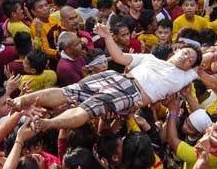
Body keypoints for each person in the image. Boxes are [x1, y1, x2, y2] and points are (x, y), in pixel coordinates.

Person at [10, 23, 201, 131]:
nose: (187, 57)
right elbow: (119, 57)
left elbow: (205, 59)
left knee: (87, 110)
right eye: (186, 52)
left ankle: (48, 124)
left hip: (132, 93)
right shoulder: (149, 57)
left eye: (191, 59)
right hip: (116, 77)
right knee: (70, 91)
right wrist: (107, 37)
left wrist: (213, 53)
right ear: (177, 50)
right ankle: (22, 99)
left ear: (191, 67)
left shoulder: (184, 76)